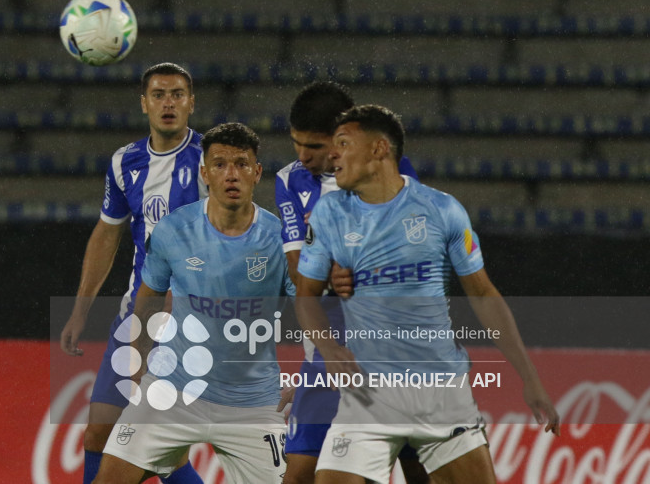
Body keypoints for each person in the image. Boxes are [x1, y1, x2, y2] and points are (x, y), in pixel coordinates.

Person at [295, 105, 560, 484]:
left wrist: (529, 377)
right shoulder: (329, 213)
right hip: (367, 395)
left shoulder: (441, 209)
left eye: (343, 143)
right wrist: (329, 348)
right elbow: (306, 296)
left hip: (440, 393)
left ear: (379, 149)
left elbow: (483, 293)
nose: (332, 154)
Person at [93, 123, 292, 484]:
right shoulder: (173, 230)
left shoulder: (279, 239)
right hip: (173, 390)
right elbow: (148, 298)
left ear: (257, 172)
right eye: (220, 164)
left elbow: (311, 310)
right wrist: (138, 364)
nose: (231, 174)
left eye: (242, 164)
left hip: (253, 403)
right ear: (204, 173)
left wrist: (311, 376)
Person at [274, 82, 429, 484]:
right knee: (299, 474)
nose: (302, 155)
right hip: (326, 351)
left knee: (417, 470)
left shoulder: (392, 170)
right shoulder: (289, 181)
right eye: (296, 143)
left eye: (314, 145)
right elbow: (297, 270)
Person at [60, 62, 205, 484]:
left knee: (162, 450)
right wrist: (80, 311)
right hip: (136, 317)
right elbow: (107, 234)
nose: (168, 103)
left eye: (177, 95)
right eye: (159, 95)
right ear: (144, 104)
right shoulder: (125, 162)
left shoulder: (209, 160)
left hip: (191, 322)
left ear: (191, 103)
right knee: (98, 434)